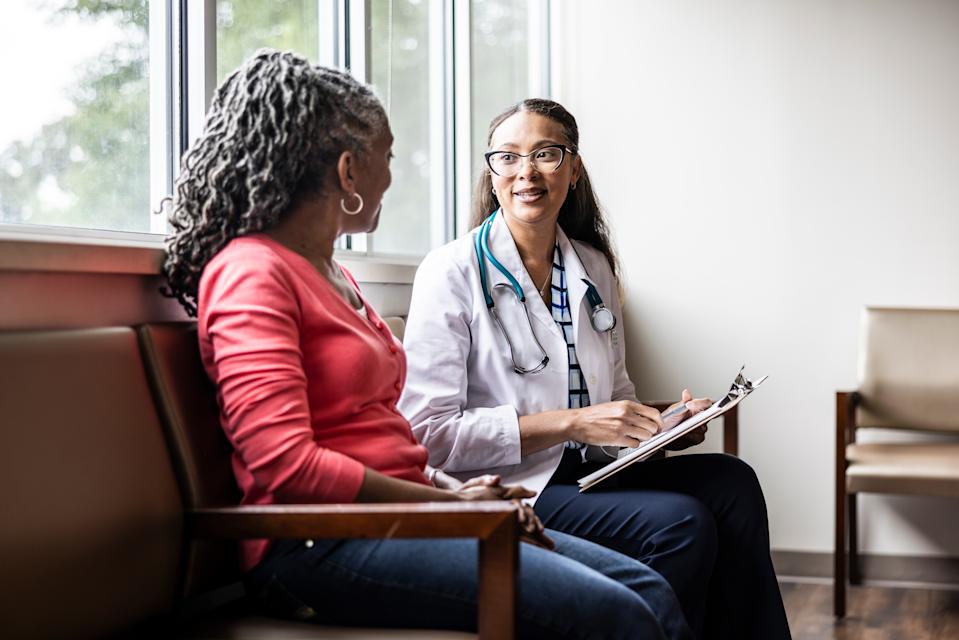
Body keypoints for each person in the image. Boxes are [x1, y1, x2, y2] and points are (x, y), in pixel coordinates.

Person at [161, 50, 694, 639]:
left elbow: (384, 443)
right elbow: (288, 467)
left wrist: (456, 492)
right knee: (619, 613)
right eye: (386, 157)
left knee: (647, 589)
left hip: (407, 515)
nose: (391, 175)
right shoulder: (251, 273)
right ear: (347, 172)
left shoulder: (333, 276)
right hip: (321, 544)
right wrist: (447, 506)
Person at [399, 98, 791, 639]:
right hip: (509, 486)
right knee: (683, 524)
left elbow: (615, 399)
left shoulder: (593, 267)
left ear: (574, 168)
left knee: (733, 483)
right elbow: (429, 437)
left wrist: (662, 427)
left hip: (588, 474)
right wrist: (574, 423)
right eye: (508, 158)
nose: (526, 172)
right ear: (492, 175)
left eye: (546, 154)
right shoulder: (450, 272)